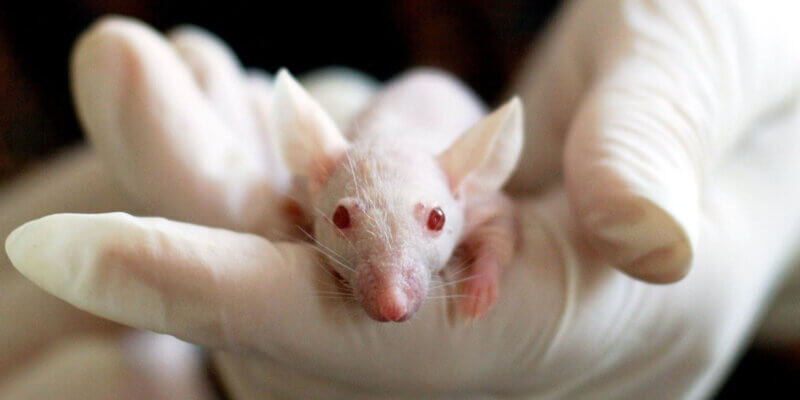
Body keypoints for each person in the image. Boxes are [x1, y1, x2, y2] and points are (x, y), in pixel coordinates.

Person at [5, 0, 800, 398]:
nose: (391, 298)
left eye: (433, 225)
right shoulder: (317, 178)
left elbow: (497, 222)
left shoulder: (475, 192)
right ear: (314, 176)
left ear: (473, 175)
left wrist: (778, 232)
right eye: (341, 220)